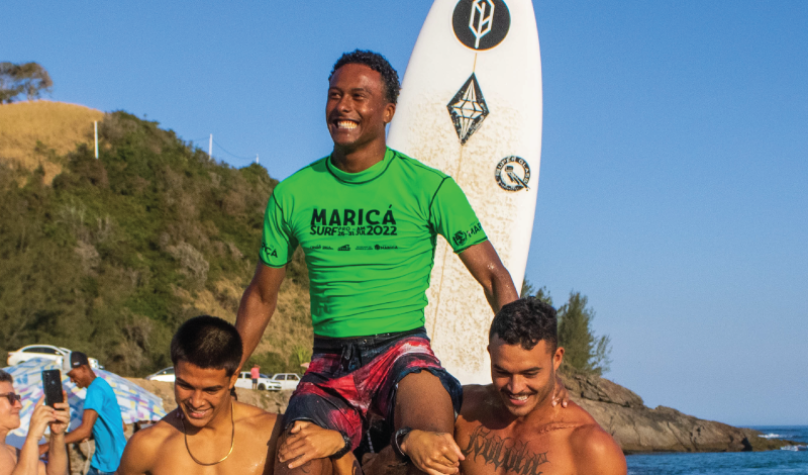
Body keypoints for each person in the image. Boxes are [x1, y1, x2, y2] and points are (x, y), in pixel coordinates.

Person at [235, 49, 520, 475]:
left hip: (402, 351)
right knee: (295, 463)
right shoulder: (292, 194)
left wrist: (516, 361)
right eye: (335, 95)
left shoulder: (429, 188)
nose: (343, 106)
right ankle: (355, 450)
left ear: (388, 111)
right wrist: (227, 372)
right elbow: (261, 295)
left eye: (358, 96)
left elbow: (494, 277)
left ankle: (363, 453)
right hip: (329, 362)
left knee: (434, 452)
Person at [392, 298, 627, 475]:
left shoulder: (592, 448)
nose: (515, 388)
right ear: (490, 355)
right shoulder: (463, 408)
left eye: (530, 373)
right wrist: (407, 441)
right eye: (502, 372)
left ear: (556, 359)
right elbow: (381, 459)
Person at [116, 315, 284, 475]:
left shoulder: (273, 433)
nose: (196, 402)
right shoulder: (146, 446)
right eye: (185, 386)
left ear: (233, 378)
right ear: (175, 371)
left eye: (210, 390)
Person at [40, 352, 126, 475]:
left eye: (72, 375)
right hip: (113, 461)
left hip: (109, 467)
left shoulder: (94, 391)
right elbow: (122, 426)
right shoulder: (102, 385)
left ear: (83, 368)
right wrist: (90, 436)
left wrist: (47, 446)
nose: (71, 380)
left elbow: (84, 430)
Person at [0, 369, 70, 475]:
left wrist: (57, 434)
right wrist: (33, 437)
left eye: (17, 398)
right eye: (10, 398)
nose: (19, 405)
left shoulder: (14, 452)